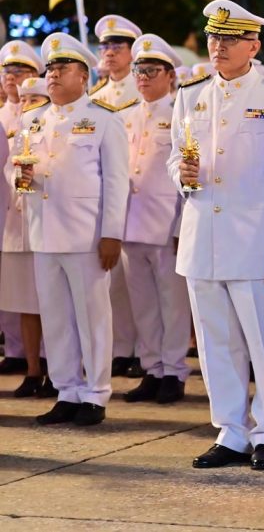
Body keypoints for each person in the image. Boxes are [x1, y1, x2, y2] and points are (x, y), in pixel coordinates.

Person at [169, 0, 264, 471]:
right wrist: (182, 175)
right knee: (215, 343)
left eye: (230, 39)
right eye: (214, 37)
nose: (219, 46)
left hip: (255, 243)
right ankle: (230, 431)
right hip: (202, 237)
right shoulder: (191, 94)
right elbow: (175, 157)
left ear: (254, 45)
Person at [24, 33, 128, 427]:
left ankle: (96, 393)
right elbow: (17, 169)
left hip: (87, 236)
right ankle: (66, 390)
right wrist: (20, 178)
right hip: (44, 233)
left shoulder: (103, 119)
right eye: (50, 68)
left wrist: (112, 233)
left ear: (83, 76)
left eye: (62, 67)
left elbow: (116, 182)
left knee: (92, 317)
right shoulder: (33, 119)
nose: (52, 74)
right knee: (55, 318)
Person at [118, 34, 192, 405]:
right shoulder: (125, 115)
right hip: (131, 224)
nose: (143, 78)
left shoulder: (181, 113)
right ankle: (152, 369)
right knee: (143, 304)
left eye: (151, 71)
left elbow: (187, 176)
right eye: (139, 71)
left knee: (172, 304)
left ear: (169, 75)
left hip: (166, 225)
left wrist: (181, 227)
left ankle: (174, 372)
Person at [91, 15, 143, 378]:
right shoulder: (95, 98)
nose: (109, 52)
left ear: (132, 52)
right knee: (114, 283)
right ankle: (122, 348)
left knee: (140, 282)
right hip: (105, 199)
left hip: (139, 200)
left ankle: (143, 351)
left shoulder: (142, 91)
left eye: (117, 46)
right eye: (105, 46)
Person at [0, 42, 43, 388]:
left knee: (43, 298)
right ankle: (17, 352)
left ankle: (45, 361)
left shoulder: (45, 115)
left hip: (41, 218)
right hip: (10, 218)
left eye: (20, 71)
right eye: (8, 71)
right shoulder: (3, 114)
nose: (13, 78)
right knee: (15, 295)